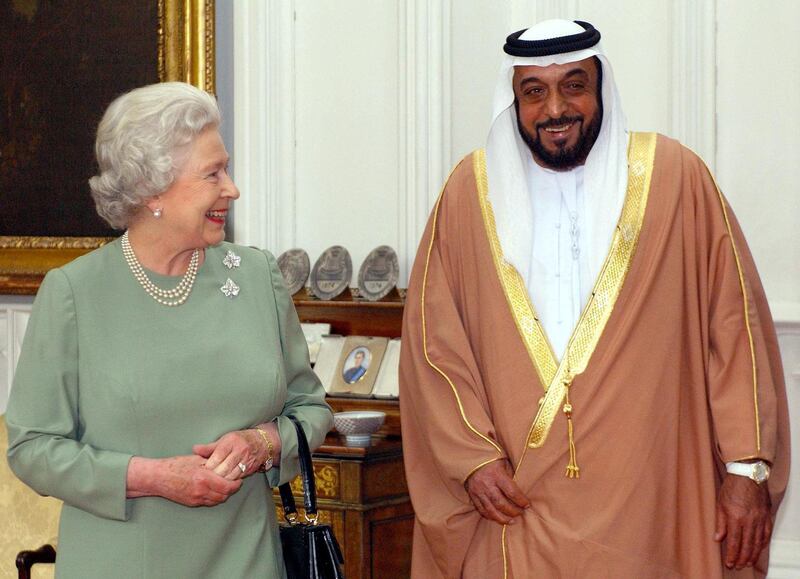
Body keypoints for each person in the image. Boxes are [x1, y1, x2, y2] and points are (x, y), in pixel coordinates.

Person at [399, 19, 790, 579]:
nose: (556, 108)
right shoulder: (469, 193)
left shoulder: (676, 178)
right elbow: (434, 346)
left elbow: (735, 329)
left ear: (601, 87)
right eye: (534, 91)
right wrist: (470, 461)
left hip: (655, 499)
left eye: (574, 85)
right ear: (513, 100)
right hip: (517, 503)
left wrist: (746, 472)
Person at [5, 82, 333, 578]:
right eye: (212, 174)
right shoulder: (75, 293)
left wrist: (264, 443)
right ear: (152, 189)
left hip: (248, 562)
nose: (232, 188)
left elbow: (309, 408)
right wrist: (152, 477)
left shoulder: (256, 277)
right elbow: (32, 449)